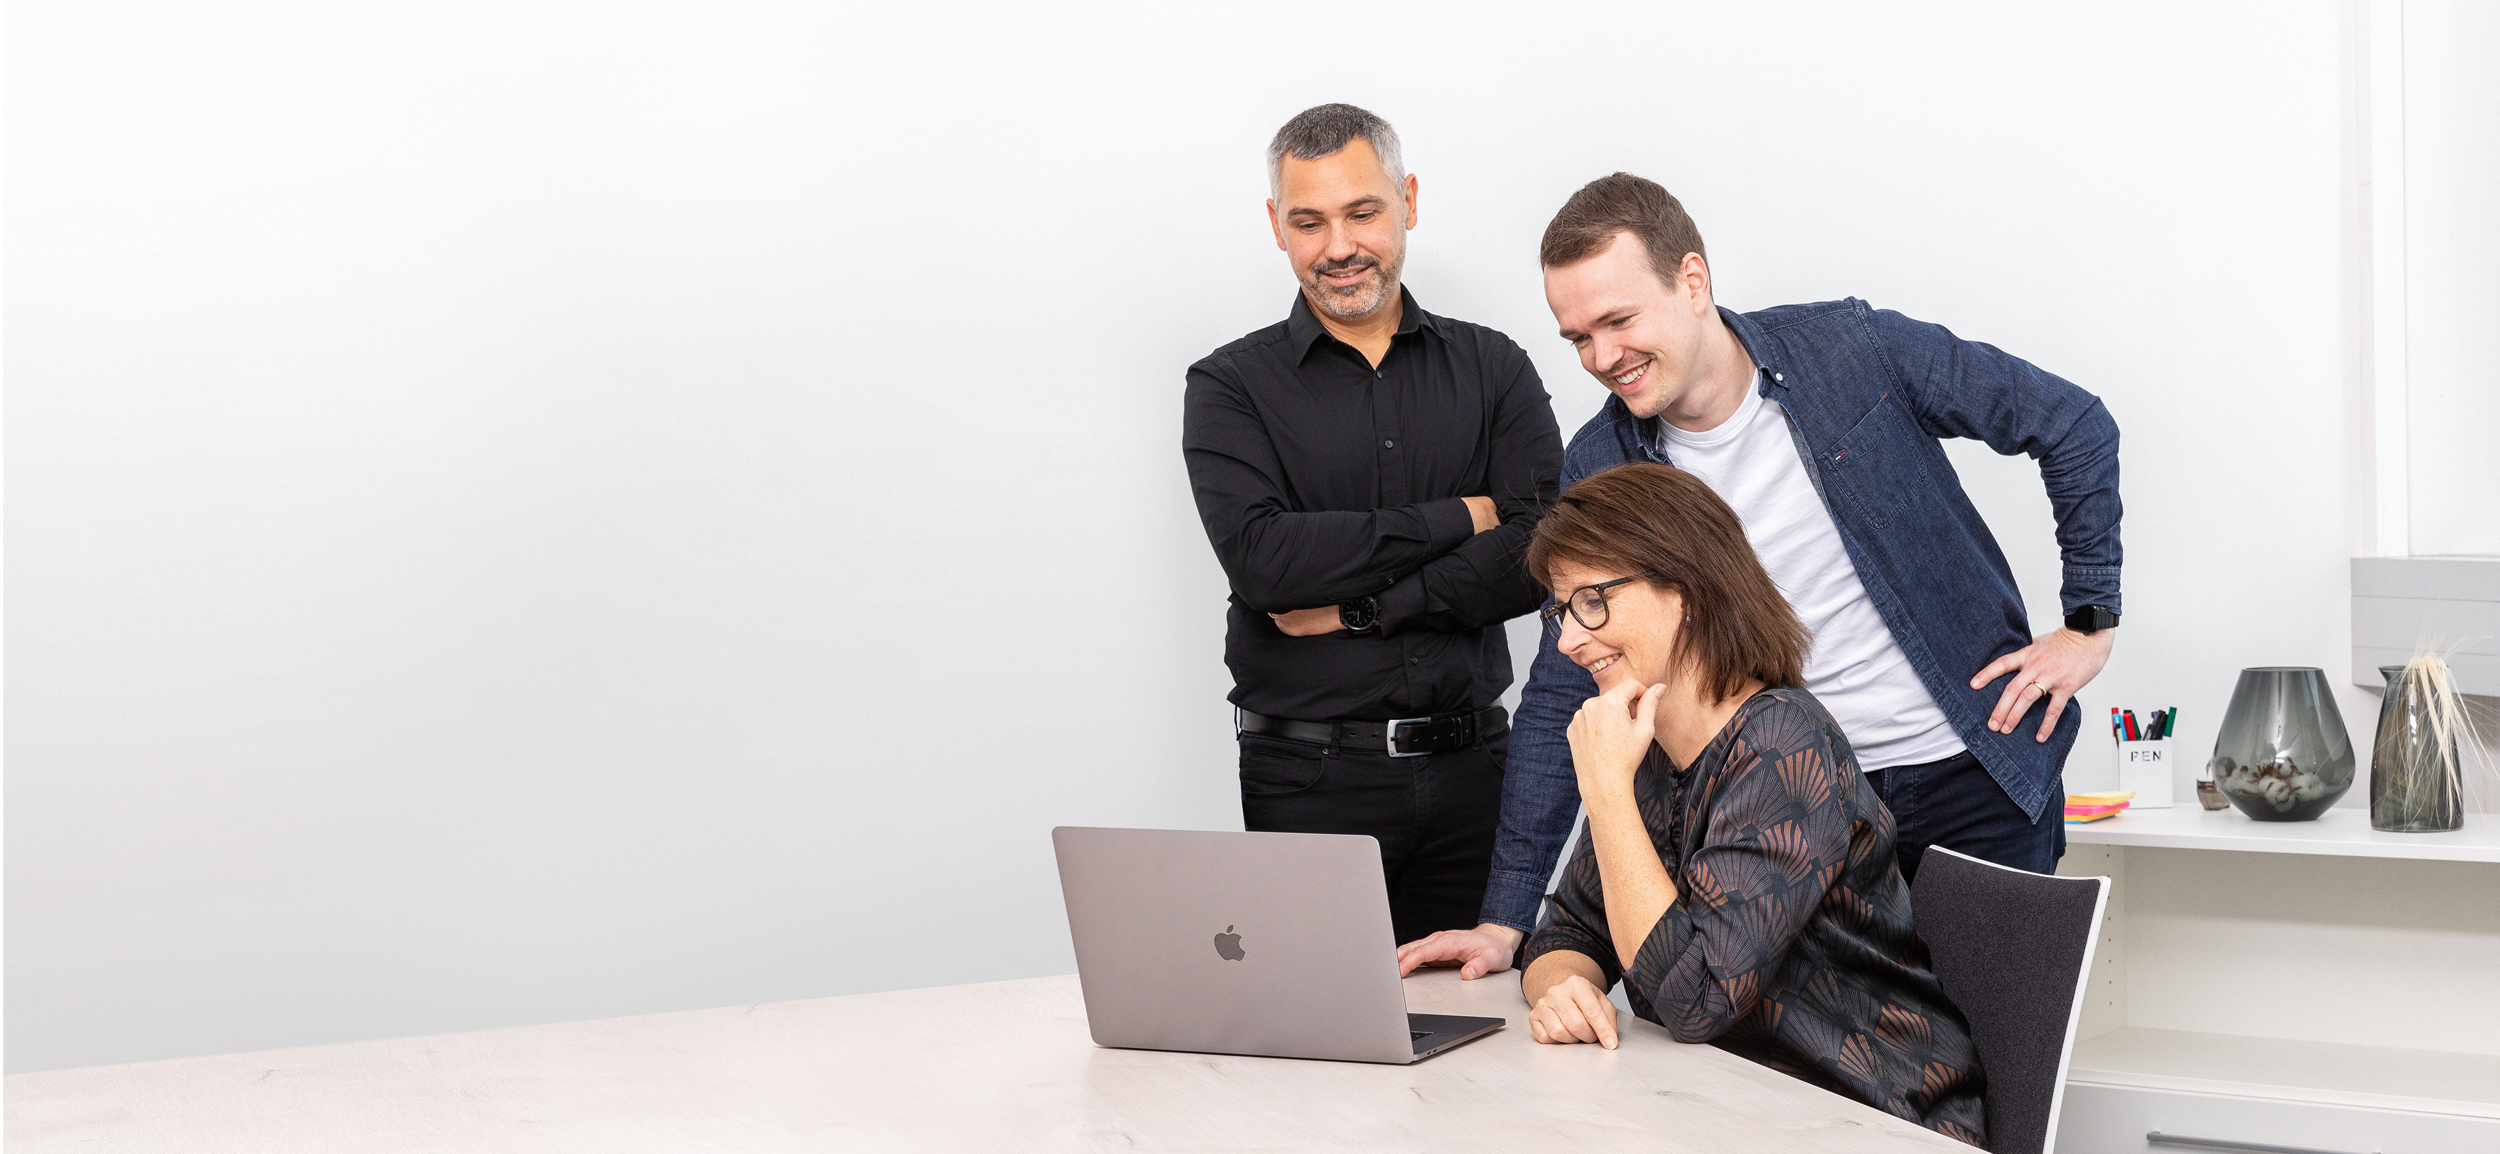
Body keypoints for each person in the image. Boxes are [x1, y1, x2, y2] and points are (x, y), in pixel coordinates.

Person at [1400, 172, 2121, 978]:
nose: (1602, 358)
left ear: (1693, 280)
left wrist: (2089, 623)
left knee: (2001, 1042)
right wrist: (1506, 919)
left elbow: (2072, 424)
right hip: (1791, 812)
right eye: (1578, 338)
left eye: (1618, 321)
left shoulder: (1852, 350)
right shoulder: (1602, 465)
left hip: (1972, 781)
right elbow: (1562, 688)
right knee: (1831, 1050)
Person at [1504, 462, 1987, 1147]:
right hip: (1729, 1105)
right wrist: (1563, 988)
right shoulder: (1645, 747)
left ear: (1687, 590)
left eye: (1592, 601)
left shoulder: (1784, 743)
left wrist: (1605, 791)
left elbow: (1696, 999)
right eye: (1562, 610)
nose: (1568, 640)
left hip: (1875, 1117)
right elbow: (1566, 934)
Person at [1181, 105, 1563, 945]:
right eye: (1309, 222)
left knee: (1477, 1020)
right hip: (1307, 780)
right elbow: (1266, 564)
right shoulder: (1229, 387)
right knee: (1317, 1015)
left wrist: (1362, 607)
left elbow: (1541, 552)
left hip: (1477, 776)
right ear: (1276, 226)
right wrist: (1459, 516)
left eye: (1362, 213)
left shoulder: (1494, 368)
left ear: (1408, 202)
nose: (1339, 247)